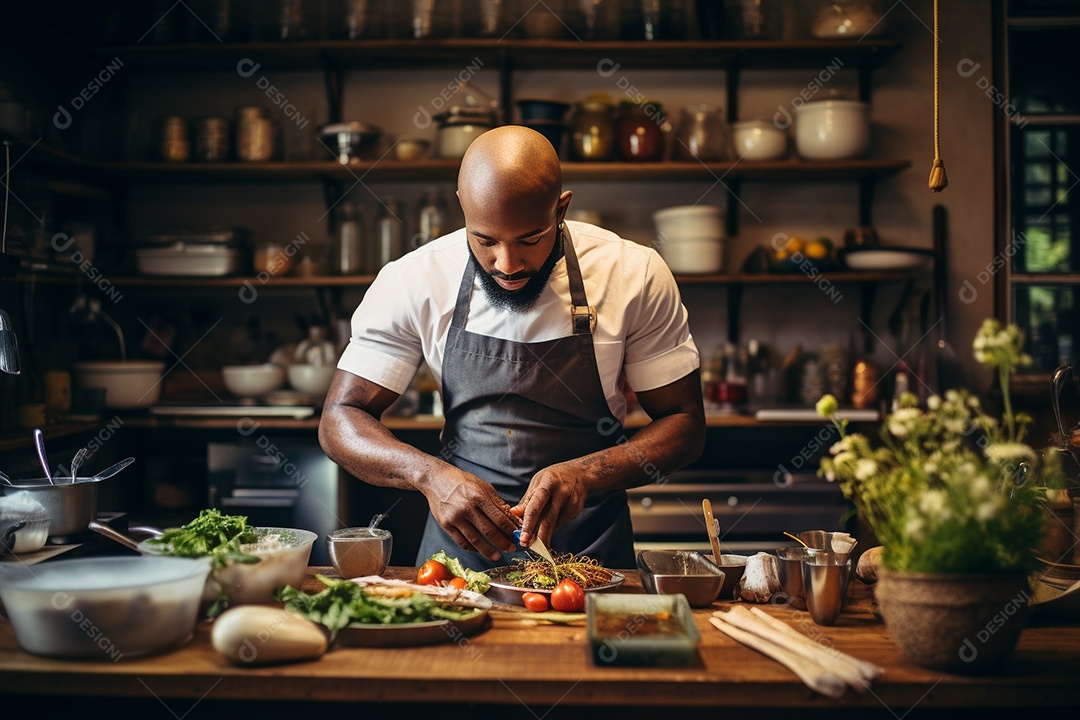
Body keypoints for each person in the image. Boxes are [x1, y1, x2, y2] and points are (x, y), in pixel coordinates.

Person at [319, 125, 705, 570]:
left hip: (591, 559)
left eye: (530, 239)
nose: (508, 265)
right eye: (484, 240)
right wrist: (430, 476)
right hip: (458, 564)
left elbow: (685, 423)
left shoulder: (633, 274)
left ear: (561, 209)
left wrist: (584, 475)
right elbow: (340, 419)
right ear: (463, 207)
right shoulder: (414, 280)